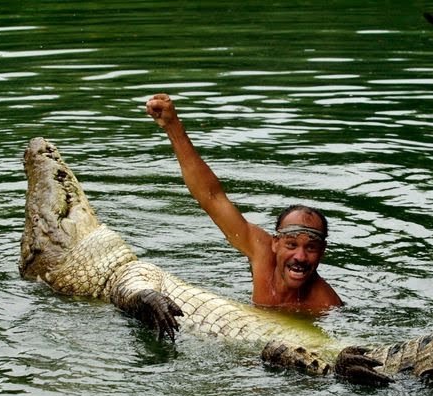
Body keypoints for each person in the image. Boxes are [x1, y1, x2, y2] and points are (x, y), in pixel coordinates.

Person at [146, 94, 343, 314]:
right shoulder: (261, 252)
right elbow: (211, 197)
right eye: (291, 244)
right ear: (275, 244)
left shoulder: (326, 304)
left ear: (323, 252)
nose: (300, 257)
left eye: (311, 248)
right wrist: (173, 126)